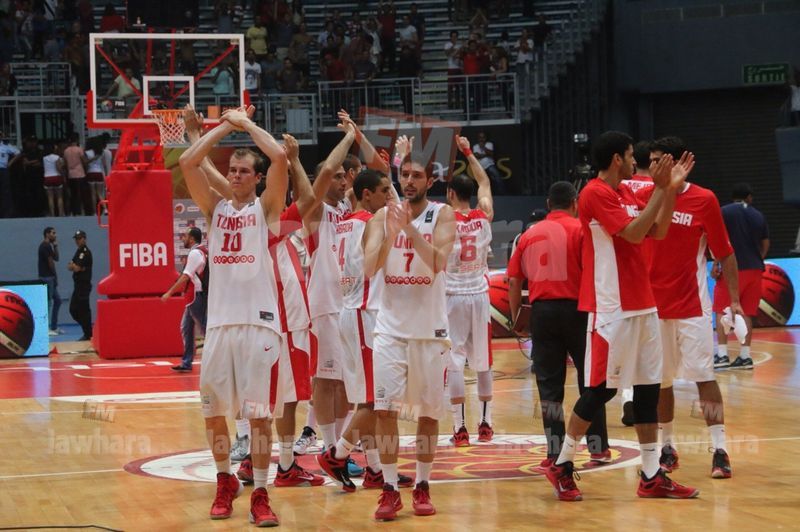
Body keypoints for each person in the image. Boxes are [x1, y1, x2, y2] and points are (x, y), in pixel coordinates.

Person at [542, 130, 699, 502]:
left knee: (647, 388)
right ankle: (562, 464)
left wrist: (670, 189)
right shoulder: (594, 193)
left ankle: (651, 474)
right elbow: (633, 233)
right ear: (616, 158)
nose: (635, 162)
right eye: (630, 156)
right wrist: (661, 189)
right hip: (611, 306)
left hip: (643, 304)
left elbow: (659, 230)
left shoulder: (628, 191)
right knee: (601, 389)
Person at [178, 106, 287, 526]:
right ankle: (225, 480)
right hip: (221, 325)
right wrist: (223, 127)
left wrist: (246, 124)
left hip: (258, 325)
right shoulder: (215, 210)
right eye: (233, 170)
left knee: (258, 416)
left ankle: (260, 492)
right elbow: (189, 162)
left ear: (257, 178)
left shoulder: (266, 209)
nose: (237, 175)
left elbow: (279, 156)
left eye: (244, 171)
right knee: (212, 410)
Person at [361, 151, 456, 520]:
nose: (410, 181)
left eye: (417, 176)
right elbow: (369, 268)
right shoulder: (380, 218)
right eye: (405, 175)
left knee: (428, 415)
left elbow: (437, 263)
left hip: (430, 332)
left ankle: (422, 484)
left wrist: (410, 230)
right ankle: (389, 488)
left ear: (430, 181)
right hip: (390, 330)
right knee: (384, 410)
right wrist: (391, 232)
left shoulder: (442, 215)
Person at [640, 136, 735, 479]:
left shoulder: (704, 199)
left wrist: (735, 300)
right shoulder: (643, 195)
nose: (653, 166)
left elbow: (724, 252)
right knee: (661, 382)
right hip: (652, 306)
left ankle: (720, 449)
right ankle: (667, 446)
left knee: (704, 377)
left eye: (659, 161)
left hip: (693, 305)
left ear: (678, 163)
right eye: (651, 161)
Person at [508, 181, 610, 468]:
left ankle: (555, 451)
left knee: (549, 388)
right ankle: (598, 447)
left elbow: (514, 280)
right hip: (580, 311)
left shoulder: (528, 234)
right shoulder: (582, 230)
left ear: (548, 204)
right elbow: (596, 273)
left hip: (543, 313)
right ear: (575, 203)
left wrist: (517, 317)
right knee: (591, 381)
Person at [444, 135, 495, 447]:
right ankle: (486, 424)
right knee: (483, 360)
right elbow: (484, 181)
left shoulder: (443, 219)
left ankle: (459, 427)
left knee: (454, 360)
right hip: (479, 294)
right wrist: (467, 152)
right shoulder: (483, 214)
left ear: (450, 193)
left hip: (452, 295)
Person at [617, 138, 655, 425]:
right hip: (654, 276)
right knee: (650, 353)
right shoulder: (660, 189)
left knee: (626, 348)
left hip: (625, 276)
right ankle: (649, 404)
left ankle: (627, 397)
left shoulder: (619, 187)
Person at [713, 183, 769, 369]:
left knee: (722, 310)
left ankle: (722, 355)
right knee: (747, 312)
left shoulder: (724, 212)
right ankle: (745, 357)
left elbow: (719, 239)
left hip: (732, 267)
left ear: (733, 197)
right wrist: (758, 259)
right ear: (749, 197)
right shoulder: (758, 214)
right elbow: (765, 243)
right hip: (755, 269)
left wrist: (716, 263)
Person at [161, 227, 208, 373]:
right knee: (186, 328)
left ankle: (221, 360)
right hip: (193, 296)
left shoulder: (195, 253)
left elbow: (186, 276)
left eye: (185, 236)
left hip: (195, 296)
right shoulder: (202, 250)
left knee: (205, 329)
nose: (183, 238)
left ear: (192, 239)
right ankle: (187, 362)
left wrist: (169, 292)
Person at [67, 230, 93, 341]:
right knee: (73, 310)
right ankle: (88, 330)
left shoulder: (86, 252)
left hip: (83, 286)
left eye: (79, 238)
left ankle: (88, 334)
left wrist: (76, 267)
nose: (77, 241)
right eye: (76, 239)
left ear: (84, 239)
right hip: (77, 285)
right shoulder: (78, 251)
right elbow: (69, 266)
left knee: (84, 310)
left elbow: (76, 268)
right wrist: (75, 267)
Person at [38, 227, 62, 335]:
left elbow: (56, 258)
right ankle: (45, 328)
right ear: (47, 234)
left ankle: (54, 327)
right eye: (53, 233)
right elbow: (51, 263)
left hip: (50, 278)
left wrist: (55, 246)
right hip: (47, 278)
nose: (55, 235)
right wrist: (55, 276)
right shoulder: (45, 246)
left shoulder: (49, 246)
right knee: (48, 303)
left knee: (58, 300)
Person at [63, 133, 92, 215]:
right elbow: (85, 161)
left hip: (71, 174)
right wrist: (92, 159)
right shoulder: (79, 150)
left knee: (73, 194)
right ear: (77, 140)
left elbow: (65, 164)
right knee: (83, 194)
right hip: (80, 174)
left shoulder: (66, 151)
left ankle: (75, 211)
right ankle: (84, 211)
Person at [42, 143, 66, 217]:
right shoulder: (56, 157)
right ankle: (60, 213)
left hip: (47, 177)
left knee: (50, 198)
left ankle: (52, 214)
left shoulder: (44, 158)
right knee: (59, 197)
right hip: (56, 176)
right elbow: (58, 168)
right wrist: (63, 175)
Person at [0, 133, 20, 217]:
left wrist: (10, 162)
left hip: (3, 169)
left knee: (5, 191)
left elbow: (18, 153)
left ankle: (6, 213)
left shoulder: (6, 146)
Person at [444, 31, 462, 109]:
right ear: (450, 37)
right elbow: (447, 53)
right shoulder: (447, 45)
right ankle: (450, 104)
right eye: (453, 36)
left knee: (457, 87)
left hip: (458, 68)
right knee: (450, 87)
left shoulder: (460, 45)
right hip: (451, 68)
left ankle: (458, 104)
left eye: (455, 36)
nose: (454, 38)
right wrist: (453, 46)